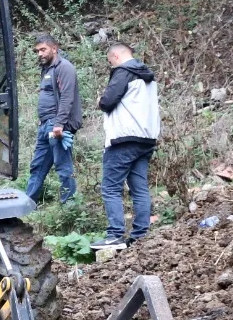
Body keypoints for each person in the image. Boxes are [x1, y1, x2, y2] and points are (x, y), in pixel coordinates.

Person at [92, 41, 160, 247]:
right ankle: (140, 235)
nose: (110, 64)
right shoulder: (148, 75)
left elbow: (108, 102)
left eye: (109, 61)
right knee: (139, 188)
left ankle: (115, 235)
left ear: (115, 57)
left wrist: (99, 100)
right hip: (146, 138)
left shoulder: (122, 71)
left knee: (110, 188)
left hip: (124, 139)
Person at [24, 33, 82, 205]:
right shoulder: (47, 69)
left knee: (63, 166)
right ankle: (28, 204)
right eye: (37, 51)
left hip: (57, 126)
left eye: (43, 49)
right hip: (45, 125)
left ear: (54, 48)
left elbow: (67, 97)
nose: (39, 54)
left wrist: (59, 124)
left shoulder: (65, 67)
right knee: (37, 166)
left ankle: (69, 206)